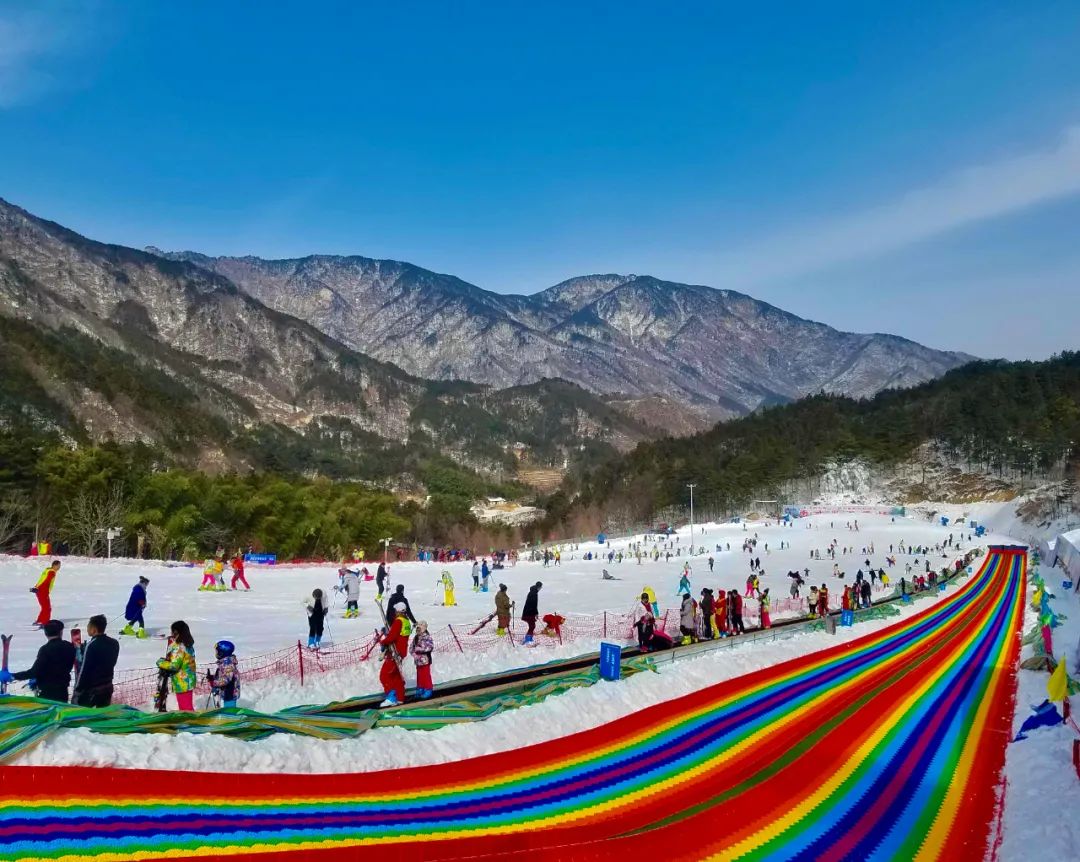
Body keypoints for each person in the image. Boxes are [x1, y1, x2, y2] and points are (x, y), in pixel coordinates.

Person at [1, 620, 76, 702]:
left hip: (47, 693)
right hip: (63, 691)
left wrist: (12, 676)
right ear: (61, 632)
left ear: (45, 633)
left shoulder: (46, 649)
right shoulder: (69, 646)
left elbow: (34, 671)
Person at [73, 614, 119, 707]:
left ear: (94, 629)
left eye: (88, 627)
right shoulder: (114, 643)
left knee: (82, 713)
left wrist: (78, 688)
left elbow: (85, 669)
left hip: (92, 689)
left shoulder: (92, 645)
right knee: (103, 713)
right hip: (107, 686)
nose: (87, 629)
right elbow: (112, 662)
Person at [156, 620, 197, 712]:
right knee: (187, 706)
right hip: (188, 679)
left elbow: (174, 665)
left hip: (182, 681)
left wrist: (160, 662)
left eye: (172, 631)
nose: (171, 634)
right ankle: (189, 719)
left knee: (185, 708)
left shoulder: (179, 647)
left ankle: (189, 720)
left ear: (176, 632)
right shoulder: (188, 645)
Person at [378, 604, 410, 707]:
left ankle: (391, 697)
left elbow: (392, 637)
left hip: (394, 653)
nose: (395, 612)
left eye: (396, 610)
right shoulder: (406, 621)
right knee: (396, 676)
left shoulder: (398, 621)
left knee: (384, 675)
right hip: (401, 652)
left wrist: (383, 641)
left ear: (398, 611)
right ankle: (400, 698)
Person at [208, 640, 240, 708]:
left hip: (230, 692)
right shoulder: (224, 662)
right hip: (228, 691)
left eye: (217, 651)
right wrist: (213, 677)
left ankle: (231, 715)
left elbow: (225, 679)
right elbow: (224, 675)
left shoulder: (228, 664)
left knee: (229, 710)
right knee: (227, 708)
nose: (216, 653)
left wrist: (214, 682)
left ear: (222, 653)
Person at [31, 560, 61, 627]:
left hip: (39, 590)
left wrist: (36, 587)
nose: (59, 568)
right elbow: (46, 581)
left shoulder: (47, 570)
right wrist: (44, 591)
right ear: (54, 565)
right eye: (58, 566)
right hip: (43, 591)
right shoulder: (51, 572)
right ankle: (45, 623)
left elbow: (42, 580)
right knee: (47, 608)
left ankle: (40, 620)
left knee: (44, 607)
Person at [411, 621, 435, 699]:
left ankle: (428, 689)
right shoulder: (416, 638)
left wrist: (421, 649)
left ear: (424, 628)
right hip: (418, 661)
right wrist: (414, 654)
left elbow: (430, 647)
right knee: (419, 676)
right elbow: (411, 648)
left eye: (420, 628)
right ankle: (420, 689)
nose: (418, 630)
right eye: (417, 629)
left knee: (426, 675)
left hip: (425, 660)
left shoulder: (427, 637)